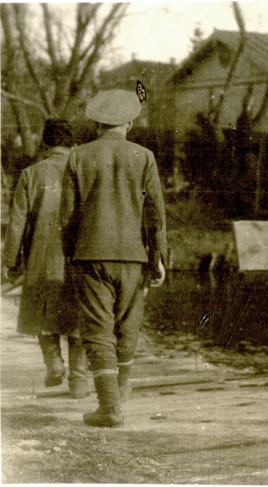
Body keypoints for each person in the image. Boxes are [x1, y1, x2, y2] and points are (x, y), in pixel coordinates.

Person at [60, 89, 167, 427]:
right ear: (129, 124)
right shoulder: (145, 156)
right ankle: (119, 392)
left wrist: (69, 253)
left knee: (98, 331)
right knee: (128, 326)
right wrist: (158, 258)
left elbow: (67, 216)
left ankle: (109, 408)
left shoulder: (78, 157)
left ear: (96, 124)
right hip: (134, 256)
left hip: (91, 255)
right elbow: (155, 215)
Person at [2, 119, 91, 399]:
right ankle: (79, 379)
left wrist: (10, 261)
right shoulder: (85, 172)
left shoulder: (31, 174)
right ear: (73, 144)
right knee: (79, 318)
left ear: (45, 144)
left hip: (41, 255)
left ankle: (53, 363)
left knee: (42, 313)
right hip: (80, 257)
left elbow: (17, 223)